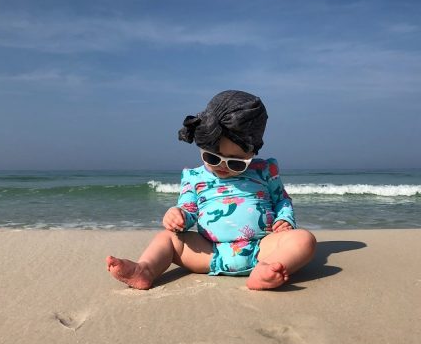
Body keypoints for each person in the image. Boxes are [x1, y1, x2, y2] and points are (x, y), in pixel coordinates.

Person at [106, 90, 316, 290]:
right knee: (167, 238)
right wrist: (178, 215)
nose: (223, 166)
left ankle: (266, 271)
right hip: (208, 252)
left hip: (263, 248)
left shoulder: (265, 170)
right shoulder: (194, 177)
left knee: (303, 239)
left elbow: (282, 200)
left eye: (236, 163)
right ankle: (145, 270)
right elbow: (189, 210)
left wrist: (285, 220)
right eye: (213, 158)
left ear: (252, 151)